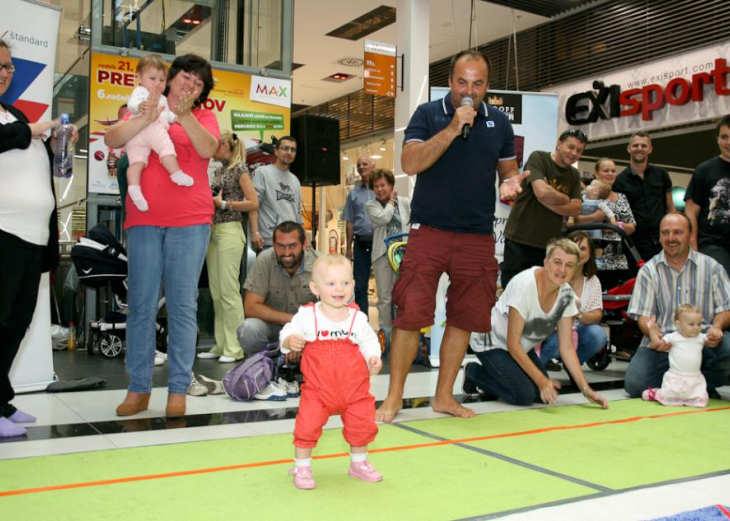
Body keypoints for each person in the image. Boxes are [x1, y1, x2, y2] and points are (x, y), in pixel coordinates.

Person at [376, 50, 528, 423]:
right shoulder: (429, 114)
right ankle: (393, 398)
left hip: (477, 236)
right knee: (410, 316)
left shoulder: (500, 125)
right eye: (463, 82)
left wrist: (510, 185)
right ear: (450, 82)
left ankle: (444, 397)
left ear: (488, 86)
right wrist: (452, 127)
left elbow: (507, 171)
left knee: (463, 317)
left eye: (478, 84)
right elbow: (410, 164)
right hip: (429, 231)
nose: (469, 91)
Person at [105, 54, 220, 418]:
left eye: (198, 83)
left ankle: (178, 389)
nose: (190, 84)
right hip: (143, 219)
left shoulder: (203, 117)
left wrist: (184, 114)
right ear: (170, 78)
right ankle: (138, 388)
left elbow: (207, 149)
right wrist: (144, 116)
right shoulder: (143, 103)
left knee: (183, 305)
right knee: (140, 303)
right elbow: (112, 137)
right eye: (186, 76)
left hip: (190, 219)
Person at [0, 39, 77, 437]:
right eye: (1, 66)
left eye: (10, 66)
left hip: (31, 240)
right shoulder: (15, 124)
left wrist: (56, 144)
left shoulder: (11, 114)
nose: (7, 72)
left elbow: (42, 169)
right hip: (4, 234)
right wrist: (25, 132)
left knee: (17, 323)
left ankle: (1, 400)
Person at [464, 238, 609, 408]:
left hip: (522, 347)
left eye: (569, 265)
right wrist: (541, 380)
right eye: (557, 262)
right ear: (546, 263)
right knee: (523, 395)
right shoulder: (524, 285)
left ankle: (501, 377)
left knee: (542, 396)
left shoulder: (567, 295)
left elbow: (567, 348)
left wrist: (586, 389)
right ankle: (474, 372)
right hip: (491, 343)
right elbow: (513, 344)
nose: (562, 270)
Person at [281, 254, 382, 490]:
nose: (340, 289)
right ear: (315, 288)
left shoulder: (357, 318)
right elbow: (287, 331)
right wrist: (290, 340)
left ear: (354, 285)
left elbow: (369, 341)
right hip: (318, 390)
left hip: (354, 389)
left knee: (362, 424)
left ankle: (358, 463)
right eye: (331, 284)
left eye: (345, 283)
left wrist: (373, 357)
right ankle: (302, 466)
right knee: (307, 426)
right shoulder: (308, 316)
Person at [624, 213, 730, 399]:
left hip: (703, 341)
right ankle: (683, 386)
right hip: (664, 344)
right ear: (659, 237)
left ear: (690, 235)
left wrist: (717, 327)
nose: (671, 238)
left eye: (678, 232)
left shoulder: (712, 267)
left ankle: (697, 384)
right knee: (635, 384)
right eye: (665, 233)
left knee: (728, 348)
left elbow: (725, 308)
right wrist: (652, 332)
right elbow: (644, 316)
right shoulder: (648, 271)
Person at [196, 130, 258, 363]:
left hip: (230, 230)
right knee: (217, 292)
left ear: (223, 145)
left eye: (213, 145)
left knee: (229, 292)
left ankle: (235, 348)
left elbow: (253, 202)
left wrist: (224, 204)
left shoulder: (240, 169)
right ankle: (222, 345)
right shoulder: (221, 170)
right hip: (215, 232)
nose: (210, 150)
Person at [500, 128, 585, 289]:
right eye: (571, 147)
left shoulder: (574, 174)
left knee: (541, 297)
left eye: (579, 150)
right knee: (514, 294)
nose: (574, 153)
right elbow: (542, 192)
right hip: (520, 240)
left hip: (549, 246)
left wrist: (547, 200)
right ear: (559, 144)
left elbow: (576, 209)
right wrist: (564, 198)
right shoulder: (538, 158)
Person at [237, 222, 320, 361]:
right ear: (274, 245)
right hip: (275, 329)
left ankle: (310, 368)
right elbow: (250, 307)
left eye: (292, 246)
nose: (286, 253)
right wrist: (293, 324)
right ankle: (266, 368)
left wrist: (300, 337)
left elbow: (339, 309)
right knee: (248, 329)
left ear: (304, 244)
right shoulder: (265, 259)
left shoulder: (320, 264)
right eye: (281, 246)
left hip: (311, 332)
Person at [125, 54, 193, 212]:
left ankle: (134, 188)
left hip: (140, 134)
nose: (157, 83)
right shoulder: (140, 91)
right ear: (140, 78)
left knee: (138, 162)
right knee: (166, 150)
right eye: (152, 78)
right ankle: (175, 173)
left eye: (161, 80)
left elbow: (167, 114)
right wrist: (140, 106)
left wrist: (177, 118)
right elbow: (132, 104)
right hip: (149, 128)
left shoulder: (162, 99)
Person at [536, 231, 608, 368]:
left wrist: (577, 313)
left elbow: (597, 316)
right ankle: (535, 367)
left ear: (590, 253)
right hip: (548, 332)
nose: (578, 252)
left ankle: (572, 366)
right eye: (574, 246)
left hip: (576, 331)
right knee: (561, 339)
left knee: (598, 335)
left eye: (583, 248)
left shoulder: (592, 281)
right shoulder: (554, 274)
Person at [613, 131, 675, 263]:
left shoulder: (662, 175)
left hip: (662, 242)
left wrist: (672, 233)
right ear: (629, 148)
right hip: (634, 247)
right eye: (635, 145)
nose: (639, 149)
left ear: (650, 149)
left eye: (643, 145)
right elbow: (621, 218)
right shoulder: (619, 182)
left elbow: (670, 208)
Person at [365, 168, 411, 338]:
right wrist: (391, 201)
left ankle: (402, 332)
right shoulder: (371, 205)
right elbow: (384, 218)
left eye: (383, 185)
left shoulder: (405, 202)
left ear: (391, 184)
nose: (380, 189)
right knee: (385, 297)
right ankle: (387, 333)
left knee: (402, 294)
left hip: (402, 254)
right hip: (382, 255)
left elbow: (410, 223)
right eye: (376, 186)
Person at [685, 114, 730, 277]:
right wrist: (693, 249)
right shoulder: (704, 170)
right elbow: (690, 212)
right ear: (717, 139)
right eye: (724, 137)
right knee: (723, 281)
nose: (729, 142)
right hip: (713, 243)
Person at [642, 305, 711, 408]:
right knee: (669, 396)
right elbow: (657, 343)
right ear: (679, 325)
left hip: (695, 377)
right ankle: (657, 393)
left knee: (699, 400)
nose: (696, 327)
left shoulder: (701, 337)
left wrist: (715, 332)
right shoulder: (673, 337)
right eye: (691, 324)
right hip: (676, 376)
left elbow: (711, 340)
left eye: (699, 324)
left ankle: (688, 398)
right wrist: (652, 330)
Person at [588, 158, 637, 290]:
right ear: (596, 173)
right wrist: (598, 222)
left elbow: (632, 226)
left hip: (618, 259)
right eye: (606, 170)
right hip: (592, 259)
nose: (610, 173)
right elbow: (576, 221)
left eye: (613, 171)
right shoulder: (587, 195)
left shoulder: (621, 197)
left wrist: (616, 226)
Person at [249, 137, 303, 251]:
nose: (289, 152)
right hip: (269, 242)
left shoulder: (295, 180)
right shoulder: (262, 172)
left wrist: (304, 241)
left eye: (293, 150)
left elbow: (298, 214)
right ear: (276, 151)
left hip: (292, 242)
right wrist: (255, 233)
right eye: (285, 148)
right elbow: (253, 206)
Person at [343, 156, 376, 317]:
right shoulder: (353, 194)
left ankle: (388, 328)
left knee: (385, 287)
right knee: (360, 288)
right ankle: (363, 324)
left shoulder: (381, 189)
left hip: (380, 244)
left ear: (373, 166)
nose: (362, 167)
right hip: (361, 244)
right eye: (359, 164)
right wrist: (348, 248)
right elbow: (349, 222)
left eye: (365, 164)